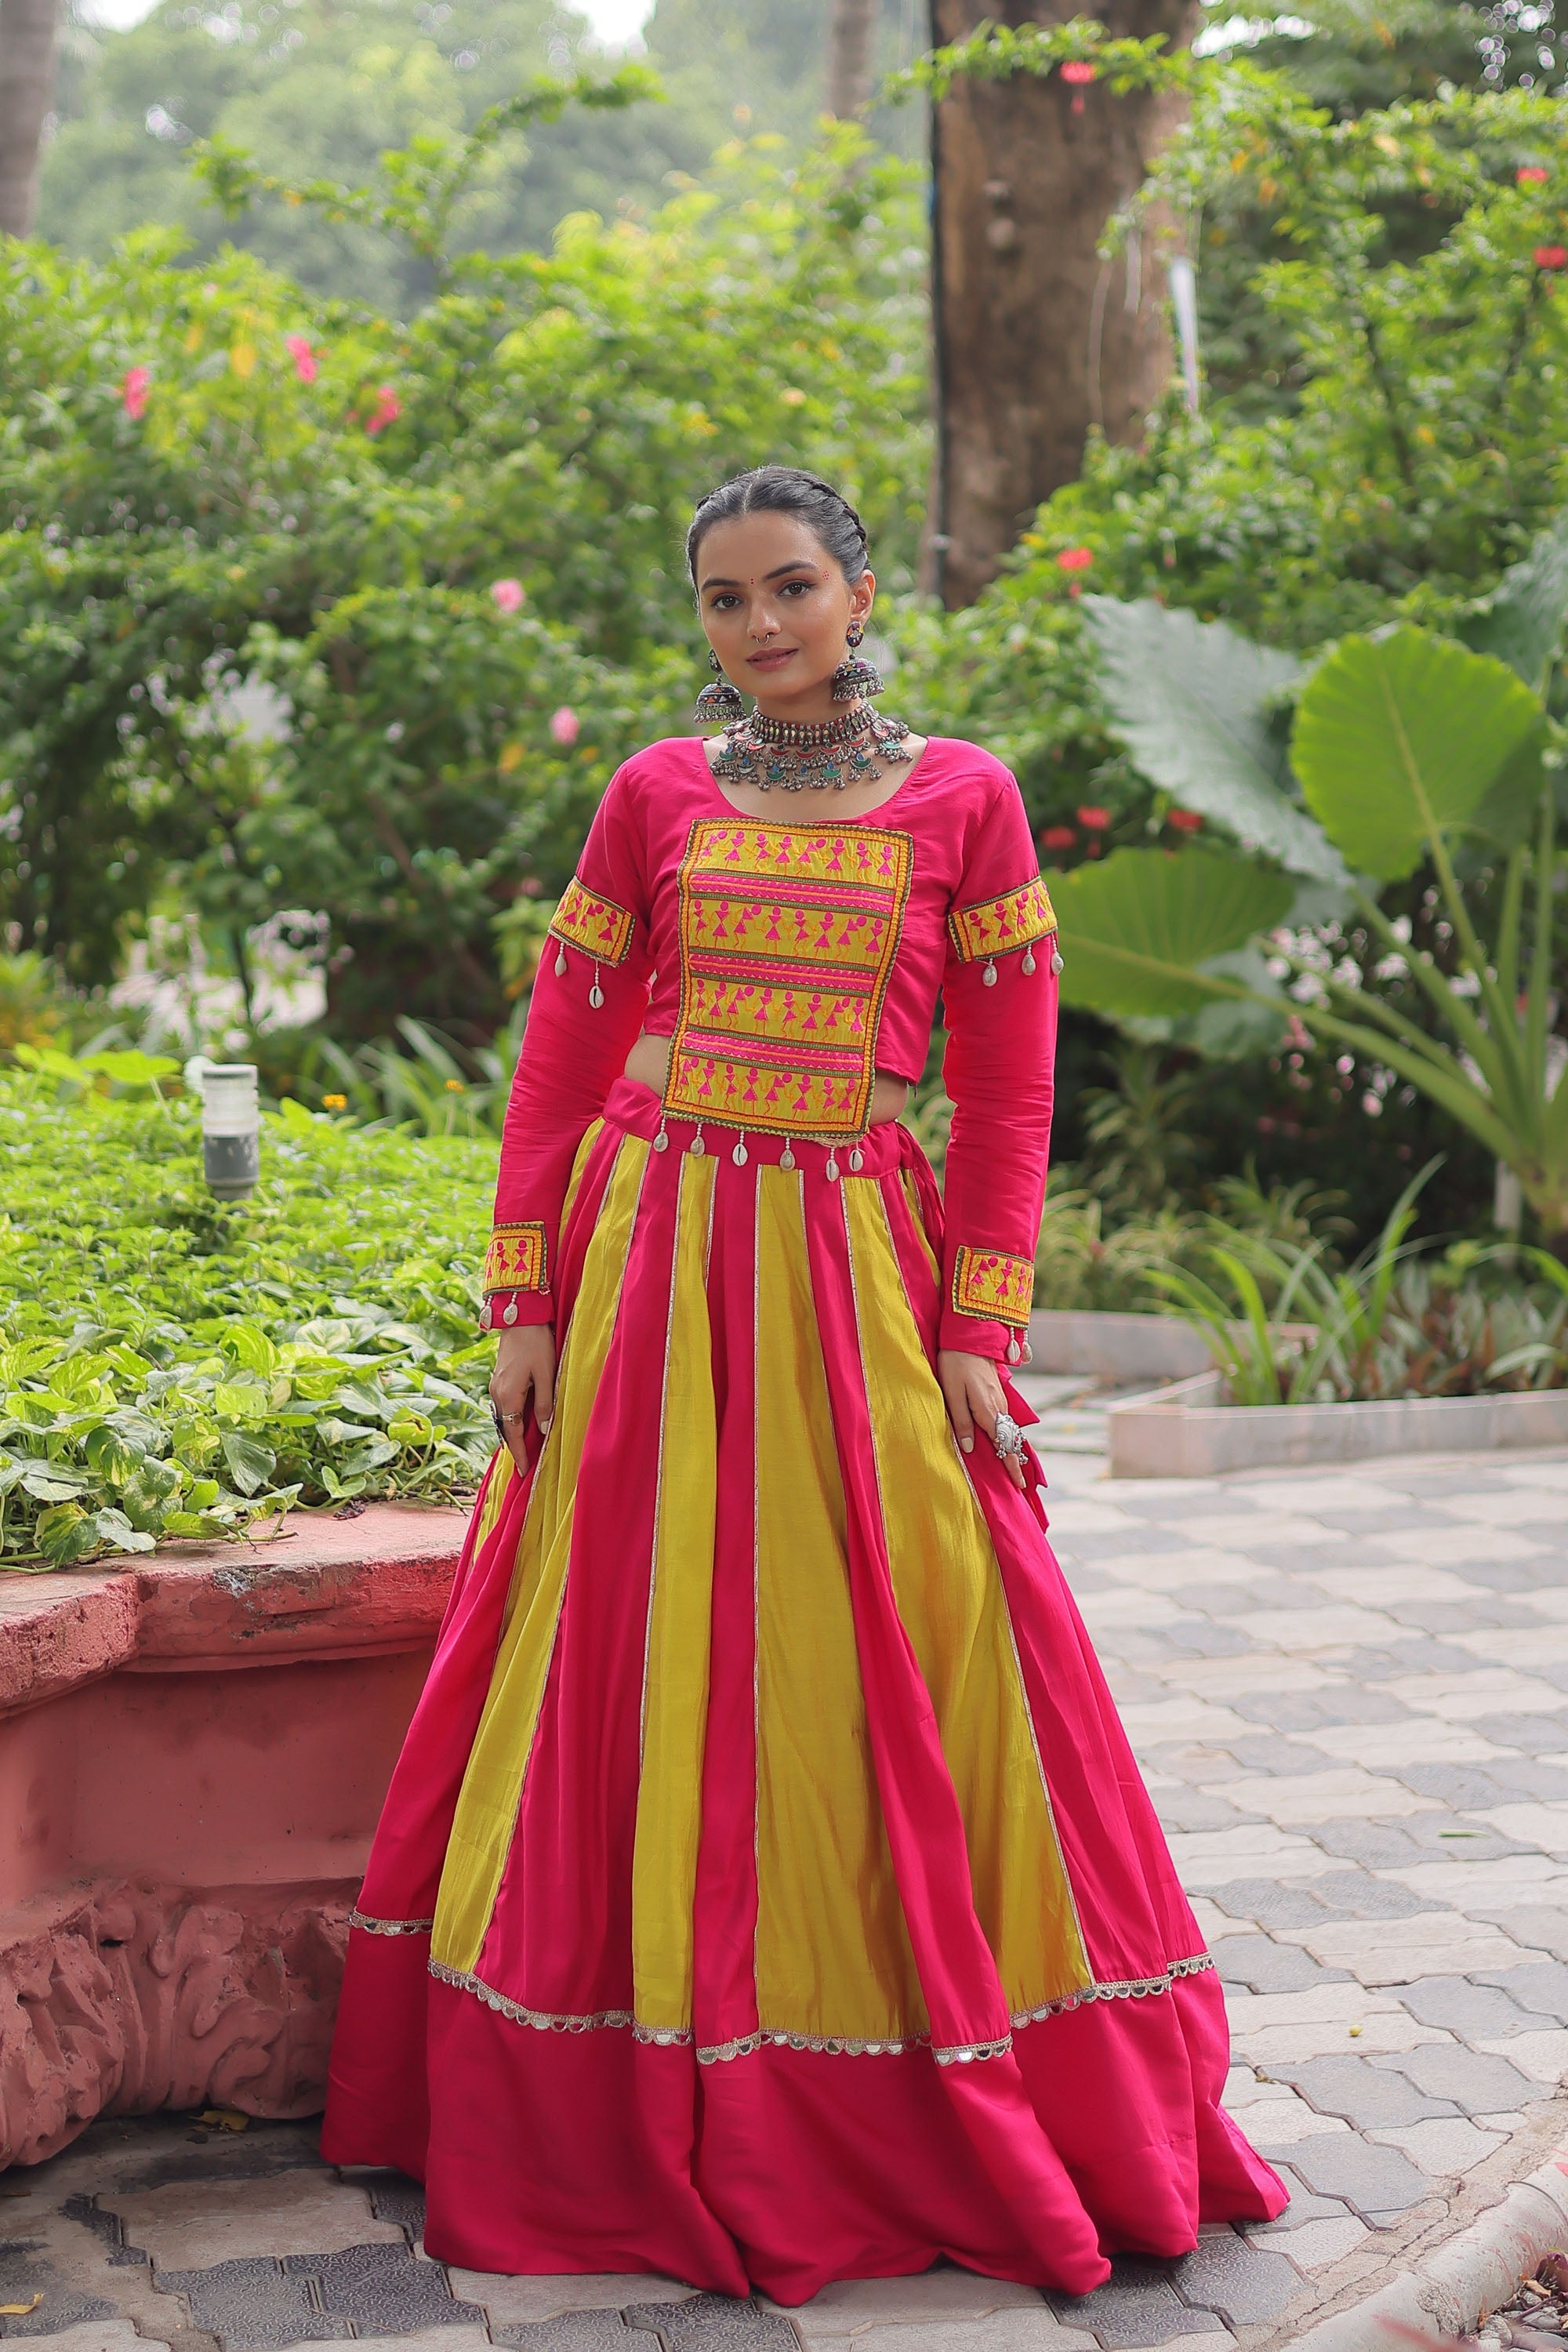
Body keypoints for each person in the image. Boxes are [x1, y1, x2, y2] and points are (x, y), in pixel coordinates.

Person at [321, 466, 1287, 2302]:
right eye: (723, 598)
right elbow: (558, 1061)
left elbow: (1008, 1092)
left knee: (927, 1625)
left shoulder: (964, 797)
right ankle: (620, 2076)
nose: (759, 625)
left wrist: (981, 1332)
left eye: (788, 587)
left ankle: (905, 2072)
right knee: (626, 1642)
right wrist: (523, 1298)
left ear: (859, 594)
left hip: (853, 1265)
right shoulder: (653, 794)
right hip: (649, 1257)